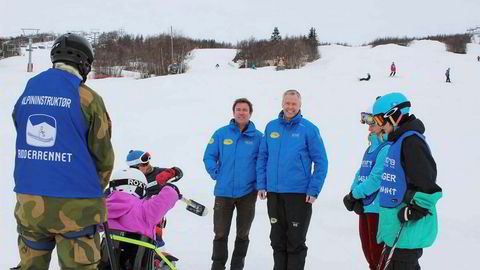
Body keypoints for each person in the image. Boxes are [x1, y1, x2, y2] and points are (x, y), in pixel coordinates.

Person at [12, 33, 114, 269]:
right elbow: (103, 157)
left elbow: (19, 128)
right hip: (76, 210)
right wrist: (94, 191)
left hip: (30, 204)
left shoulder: (28, 93)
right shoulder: (87, 98)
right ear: (84, 63)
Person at [256, 89, 328, 270]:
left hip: (298, 193)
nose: (290, 107)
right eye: (287, 103)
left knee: (295, 241)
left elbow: (321, 162)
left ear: (299, 105)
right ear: (282, 103)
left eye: (294, 104)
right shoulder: (271, 127)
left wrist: (314, 189)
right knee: (277, 239)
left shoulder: (309, 129)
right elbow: (262, 157)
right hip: (274, 193)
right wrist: (262, 184)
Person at [372, 92, 442, 270]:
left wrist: (415, 210)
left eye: (380, 121)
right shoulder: (399, 141)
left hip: (406, 231)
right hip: (395, 230)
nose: (379, 127)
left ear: (394, 115)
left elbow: (427, 182)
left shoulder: (411, 142)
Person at [203, 98, 263, 270]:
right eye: (238, 109)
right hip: (224, 191)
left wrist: (260, 184)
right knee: (220, 232)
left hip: (247, 193)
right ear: (233, 112)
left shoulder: (258, 137)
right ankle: (218, 265)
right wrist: (216, 173)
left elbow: (263, 162)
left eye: (245, 109)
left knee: (243, 233)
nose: (241, 112)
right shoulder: (221, 134)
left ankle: (237, 265)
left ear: (250, 113)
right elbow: (209, 156)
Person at [101, 168, 181, 269]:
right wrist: (171, 187)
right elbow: (169, 196)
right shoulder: (144, 209)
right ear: (140, 188)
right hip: (138, 263)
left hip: (106, 263)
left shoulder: (104, 208)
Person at [343, 108, 390, 270]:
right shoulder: (370, 148)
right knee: (369, 253)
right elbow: (361, 172)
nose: (369, 128)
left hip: (376, 208)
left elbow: (376, 179)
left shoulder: (386, 148)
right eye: (367, 123)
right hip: (365, 205)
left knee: (378, 256)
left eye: (372, 124)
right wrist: (352, 193)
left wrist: (355, 194)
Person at [125, 150, 183, 244]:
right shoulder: (129, 178)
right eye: (143, 164)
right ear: (135, 168)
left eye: (147, 162)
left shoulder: (158, 173)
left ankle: (157, 248)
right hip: (135, 218)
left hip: (153, 217)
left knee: (155, 240)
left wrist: (171, 172)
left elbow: (179, 172)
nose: (147, 165)